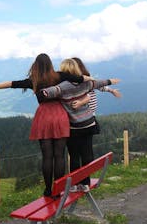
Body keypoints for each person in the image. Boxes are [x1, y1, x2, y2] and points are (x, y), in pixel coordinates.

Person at [0, 53, 92, 197]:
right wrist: (94, 80)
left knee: (47, 157)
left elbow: (11, 84)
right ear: (51, 64)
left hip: (44, 116)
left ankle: (48, 190)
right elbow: (81, 79)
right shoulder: (60, 76)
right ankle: (58, 190)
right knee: (59, 156)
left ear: (36, 65)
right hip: (60, 116)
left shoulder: (34, 80)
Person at [39, 58, 120, 192]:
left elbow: (47, 93)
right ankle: (85, 183)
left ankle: (76, 184)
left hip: (74, 127)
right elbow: (98, 83)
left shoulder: (63, 87)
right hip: (89, 123)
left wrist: (40, 88)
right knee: (87, 153)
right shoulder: (86, 84)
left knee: (74, 155)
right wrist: (111, 81)